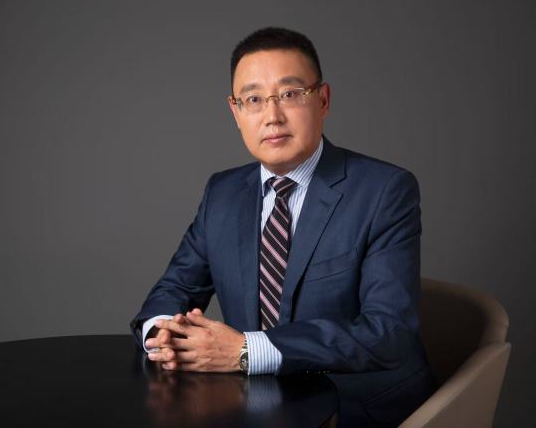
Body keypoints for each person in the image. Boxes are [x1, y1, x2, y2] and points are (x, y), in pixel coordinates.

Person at [130, 27, 435, 427]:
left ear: (323, 100)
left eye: (290, 94)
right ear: (236, 112)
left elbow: (387, 332)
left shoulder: (384, 191)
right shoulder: (223, 192)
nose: (272, 117)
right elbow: (175, 289)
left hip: (358, 408)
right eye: (254, 99)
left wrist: (245, 350)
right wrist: (165, 337)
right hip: (255, 406)